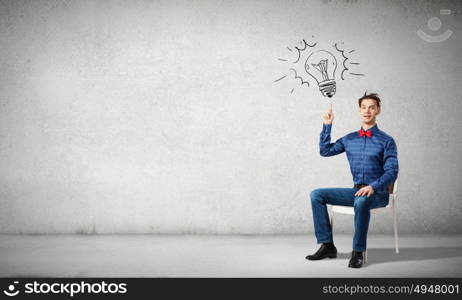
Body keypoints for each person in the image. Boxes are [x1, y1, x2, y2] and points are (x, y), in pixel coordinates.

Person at [306, 92, 399, 268]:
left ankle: (358, 252)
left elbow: (392, 171)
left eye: (372, 107)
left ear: (378, 110)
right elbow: (325, 151)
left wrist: (373, 186)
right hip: (356, 190)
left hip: (378, 193)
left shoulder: (387, 141)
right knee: (316, 195)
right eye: (364, 107)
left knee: (362, 201)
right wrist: (327, 125)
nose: (367, 111)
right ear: (359, 111)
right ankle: (327, 245)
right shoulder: (350, 139)